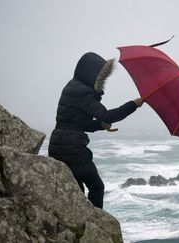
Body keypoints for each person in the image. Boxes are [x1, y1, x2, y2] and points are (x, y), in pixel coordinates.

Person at [48, 52, 143, 209]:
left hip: (60, 144)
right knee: (96, 187)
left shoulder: (73, 86)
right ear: (91, 73)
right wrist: (133, 105)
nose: (102, 80)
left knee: (77, 190)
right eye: (100, 75)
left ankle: (81, 223)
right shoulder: (82, 92)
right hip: (71, 148)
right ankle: (96, 223)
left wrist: (100, 126)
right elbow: (106, 115)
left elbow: (76, 123)